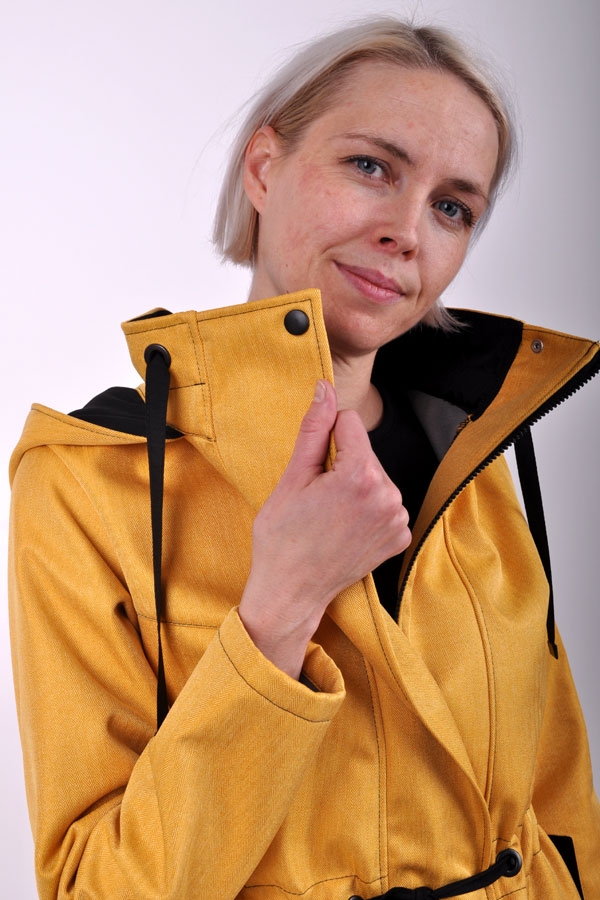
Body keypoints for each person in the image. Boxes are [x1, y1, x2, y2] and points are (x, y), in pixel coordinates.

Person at [8, 16, 600, 900]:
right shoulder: (88, 478)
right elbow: (96, 888)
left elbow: (560, 812)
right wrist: (277, 613)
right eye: (372, 166)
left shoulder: (474, 451)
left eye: (452, 207)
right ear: (263, 167)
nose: (409, 231)